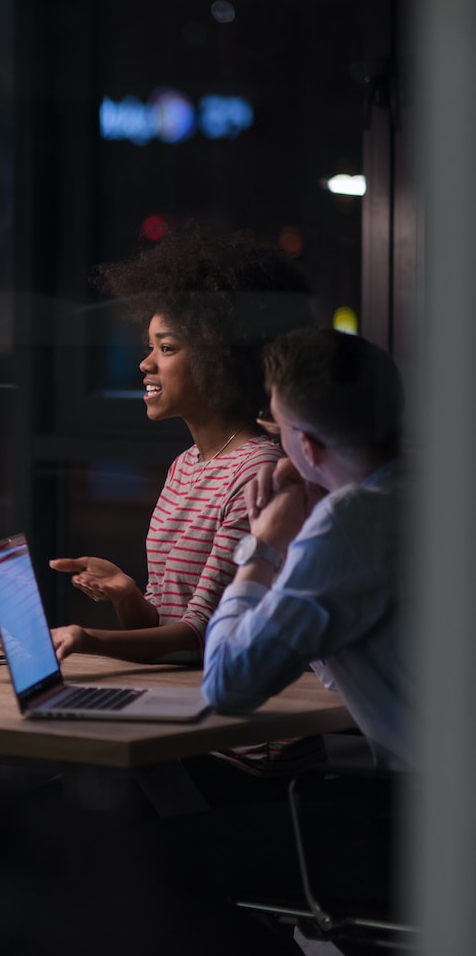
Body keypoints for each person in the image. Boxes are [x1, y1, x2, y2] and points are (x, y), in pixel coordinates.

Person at [7, 229, 314, 663]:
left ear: (221, 359)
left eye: (166, 348)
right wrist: (127, 595)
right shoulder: (184, 466)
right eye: (148, 347)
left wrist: (86, 639)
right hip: (185, 695)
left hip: (243, 721)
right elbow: (161, 636)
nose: (145, 363)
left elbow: (198, 637)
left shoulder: (258, 472)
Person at [203, 327, 407, 769]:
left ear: (308, 447)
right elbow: (338, 668)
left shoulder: (352, 523)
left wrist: (264, 545)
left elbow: (226, 683)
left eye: (276, 427)